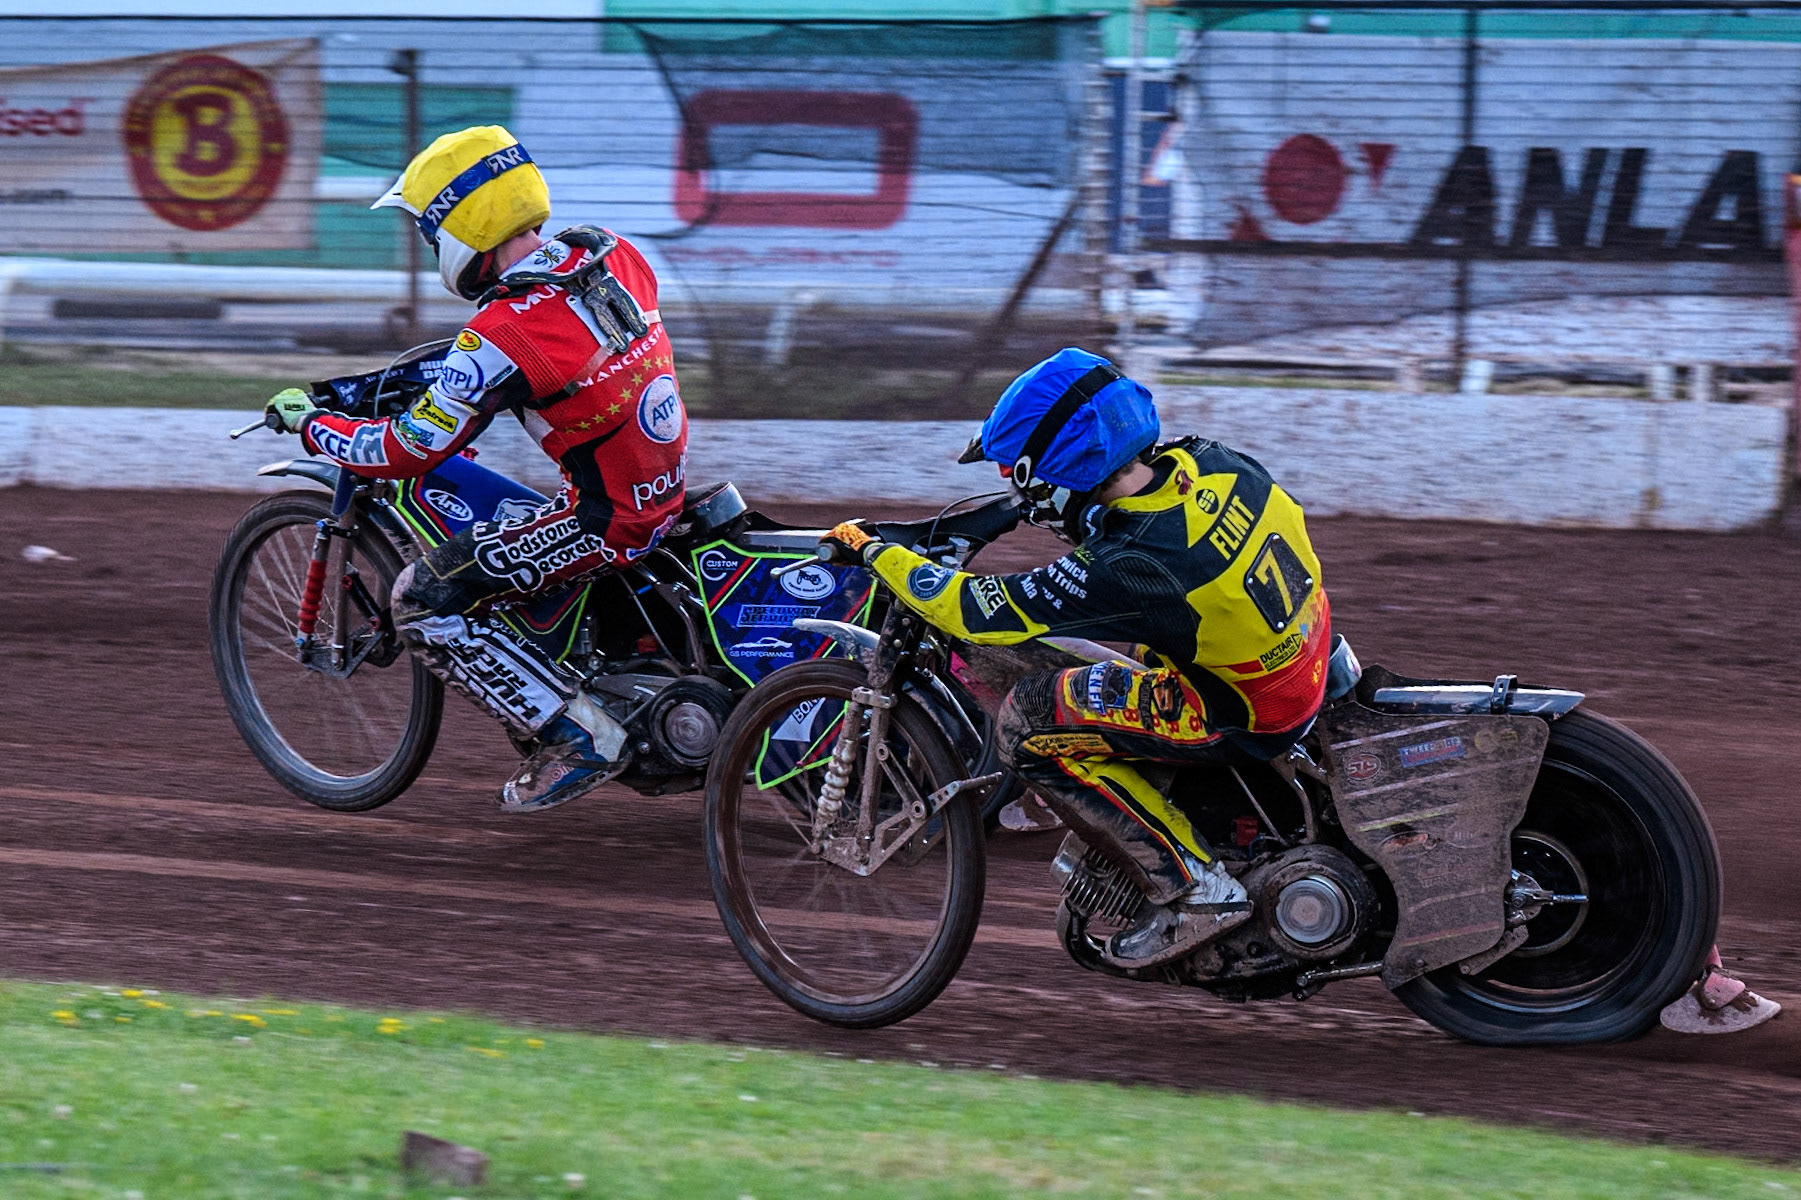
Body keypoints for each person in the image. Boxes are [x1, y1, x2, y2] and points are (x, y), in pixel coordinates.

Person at [821, 348, 1333, 969]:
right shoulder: (1211, 460)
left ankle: (1195, 890)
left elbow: (977, 609)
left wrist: (875, 551)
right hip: (1305, 651)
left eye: (1019, 476)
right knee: (1142, 651)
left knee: (1027, 722)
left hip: (1243, 713)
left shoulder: (1130, 564)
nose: (1020, 492)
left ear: (1055, 471)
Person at [261, 125, 687, 814]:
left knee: (420, 599)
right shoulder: (610, 255)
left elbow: (408, 449)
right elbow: (538, 346)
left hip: (604, 522)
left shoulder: (498, 336)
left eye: (432, 233)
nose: (433, 249)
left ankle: (576, 737)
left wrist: (318, 426)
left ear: (461, 226)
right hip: (661, 493)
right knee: (509, 521)